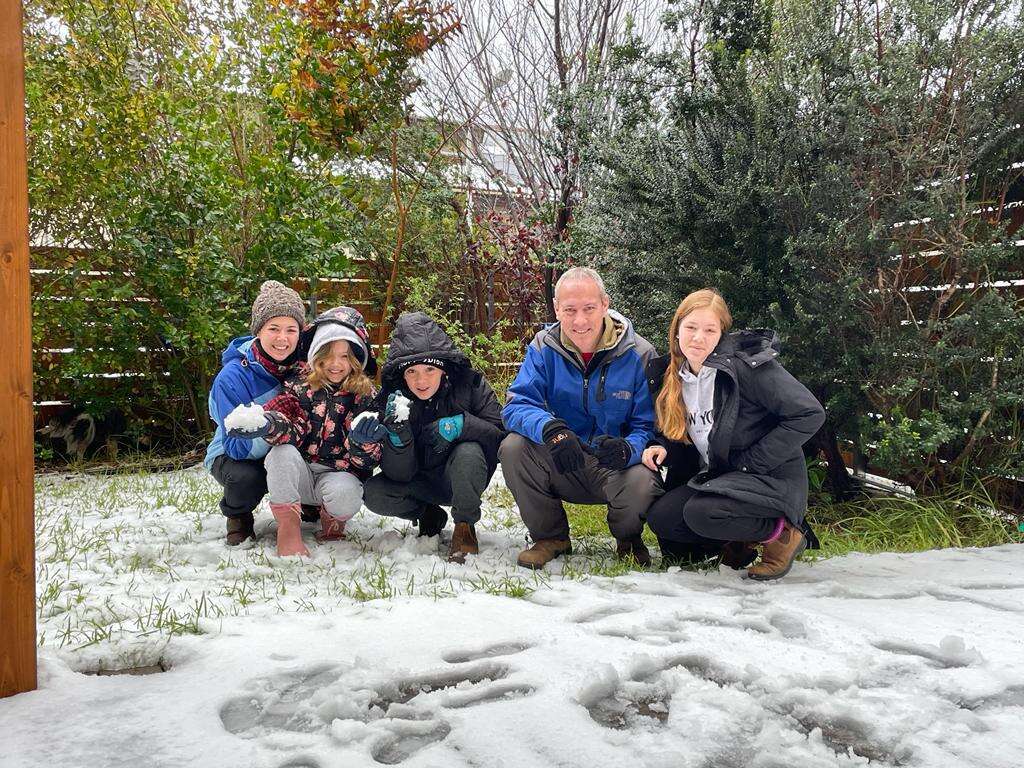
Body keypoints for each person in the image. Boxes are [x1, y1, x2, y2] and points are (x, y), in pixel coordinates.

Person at [642, 288, 826, 580]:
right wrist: (661, 445)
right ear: (676, 329)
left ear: (722, 334)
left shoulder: (746, 367)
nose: (698, 338)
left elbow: (809, 413)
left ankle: (783, 534)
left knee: (703, 514)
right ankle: (738, 540)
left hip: (767, 476)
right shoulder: (671, 374)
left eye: (709, 330)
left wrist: (753, 462)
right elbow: (688, 431)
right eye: (690, 327)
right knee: (663, 519)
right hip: (721, 478)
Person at [500, 267, 660, 570]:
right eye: (570, 310)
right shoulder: (542, 348)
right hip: (564, 459)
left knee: (642, 478)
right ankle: (551, 537)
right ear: (557, 309)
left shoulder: (640, 353)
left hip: (615, 466)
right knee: (513, 447)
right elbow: (516, 405)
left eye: (589, 308)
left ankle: (628, 538)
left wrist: (629, 449)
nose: (580, 320)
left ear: (605, 304)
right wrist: (551, 429)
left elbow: (649, 425)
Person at [228, 307, 381, 556]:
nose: (335, 364)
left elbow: (367, 461)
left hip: (338, 474)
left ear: (356, 358)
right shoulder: (299, 385)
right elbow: (291, 424)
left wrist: (363, 443)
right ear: (315, 355)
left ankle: (332, 519)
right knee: (280, 454)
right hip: (300, 472)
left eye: (344, 356)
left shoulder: (366, 396)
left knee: (346, 494)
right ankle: (288, 527)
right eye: (328, 355)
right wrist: (269, 424)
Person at [357, 312, 506, 563]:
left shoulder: (471, 385)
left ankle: (464, 527)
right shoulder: (391, 400)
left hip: (460, 477)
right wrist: (398, 439)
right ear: (402, 375)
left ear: (444, 369)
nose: (421, 380)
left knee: (468, 451)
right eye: (412, 371)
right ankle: (429, 514)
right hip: (417, 481)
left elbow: (501, 436)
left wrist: (463, 425)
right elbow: (399, 475)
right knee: (374, 493)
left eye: (429, 369)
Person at [204, 280, 306, 545]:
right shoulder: (233, 377)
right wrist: (271, 431)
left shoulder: (306, 368)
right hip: (234, 452)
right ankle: (238, 515)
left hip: (285, 447)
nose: (282, 338)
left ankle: (310, 507)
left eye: (290, 330)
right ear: (258, 331)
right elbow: (237, 446)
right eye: (273, 328)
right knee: (247, 478)